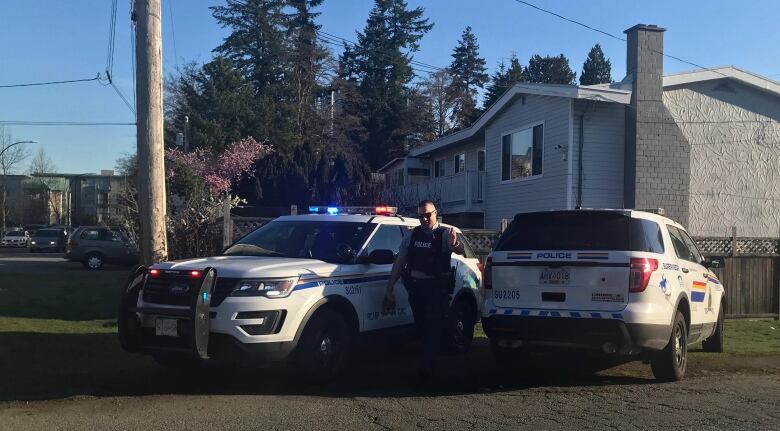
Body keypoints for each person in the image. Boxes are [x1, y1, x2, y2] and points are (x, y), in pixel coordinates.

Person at [383, 200, 465, 384]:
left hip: (437, 289)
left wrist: (455, 243)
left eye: (428, 214)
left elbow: (458, 249)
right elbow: (400, 262)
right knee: (422, 326)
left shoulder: (444, 234)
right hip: (417, 288)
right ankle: (429, 363)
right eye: (421, 215)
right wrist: (390, 288)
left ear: (436, 213)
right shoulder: (412, 235)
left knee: (432, 327)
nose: (425, 218)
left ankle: (426, 369)